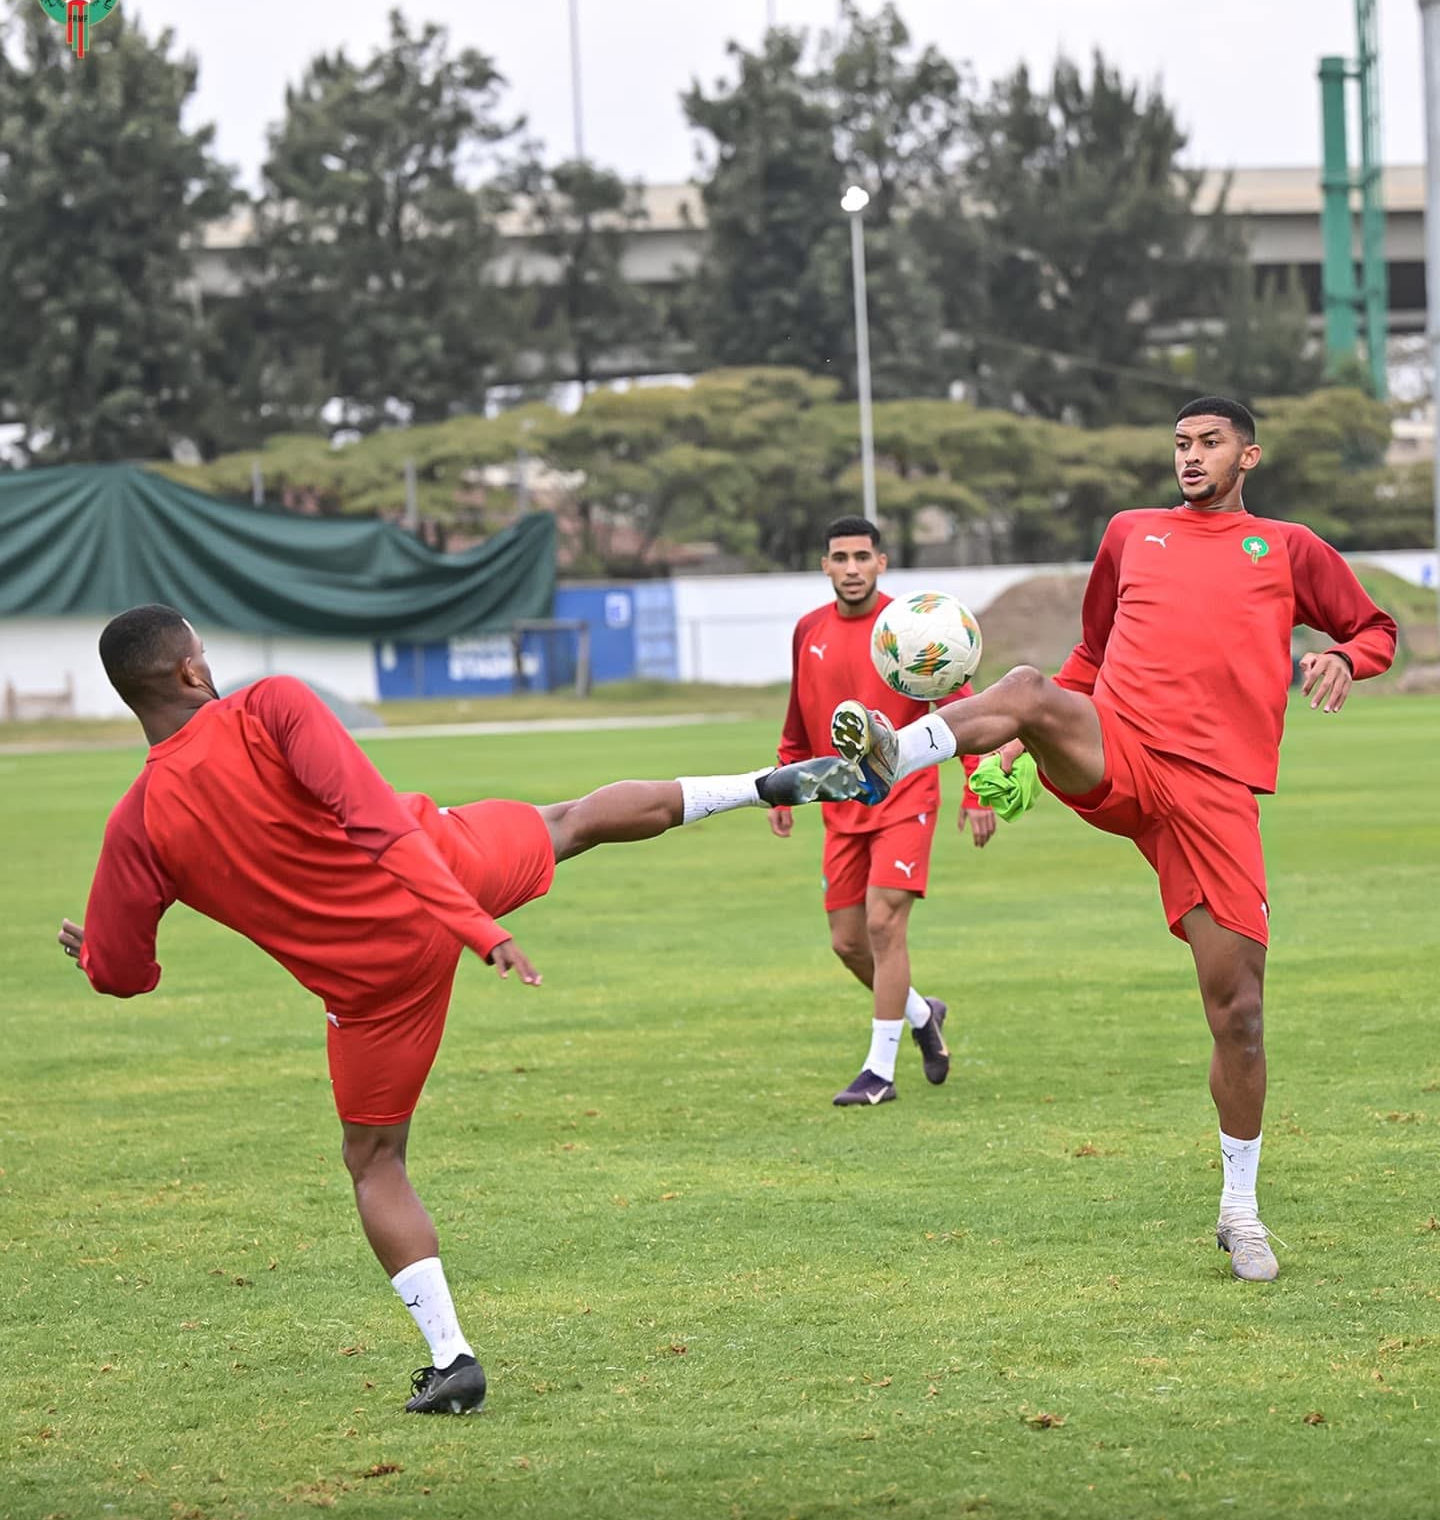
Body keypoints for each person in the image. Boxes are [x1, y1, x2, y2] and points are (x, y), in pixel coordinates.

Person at [58, 605, 863, 1414]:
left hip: (372, 992)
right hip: (446, 877)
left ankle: (452, 1359)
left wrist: (94, 950)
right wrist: (473, 923)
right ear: (193, 672)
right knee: (571, 821)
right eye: (203, 650)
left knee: (375, 1164)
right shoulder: (270, 705)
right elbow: (372, 818)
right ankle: (765, 786)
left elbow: (124, 975)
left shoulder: (138, 824)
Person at [826, 399, 1397, 1280]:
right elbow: (1086, 656)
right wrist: (1021, 732)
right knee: (1024, 683)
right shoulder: (1131, 532)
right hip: (1122, 751)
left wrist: (1341, 658)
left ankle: (1239, 1212)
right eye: (1180, 443)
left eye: (1210, 443)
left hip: (1216, 795)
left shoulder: (1287, 547)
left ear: (1250, 455)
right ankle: (898, 752)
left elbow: (1376, 629)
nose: (1192, 456)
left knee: (1238, 1013)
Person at [771, 515, 994, 1108]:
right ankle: (923, 1013)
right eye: (839, 558)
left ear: (881, 563)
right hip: (835, 799)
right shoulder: (807, 630)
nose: (850, 569)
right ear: (825, 566)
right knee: (848, 944)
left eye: (861, 557)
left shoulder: (909, 628)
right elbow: (801, 713)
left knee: (882, 926)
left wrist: (975, 790)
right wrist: (785, 777)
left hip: (905, 799)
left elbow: (960, 710)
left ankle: (879, 1072)